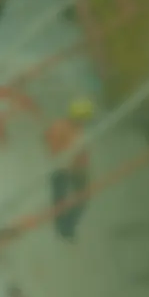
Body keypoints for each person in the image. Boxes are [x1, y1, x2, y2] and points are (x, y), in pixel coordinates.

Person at [47, 96, 95, 241]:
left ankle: (66, 227)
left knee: (81, 199)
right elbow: (54, 149)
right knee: (60, 200)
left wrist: (83, 164)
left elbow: (83, 151)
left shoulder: (80, 130)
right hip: (61, 169)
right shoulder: (60, 127)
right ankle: (62, 228)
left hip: (77, 170)